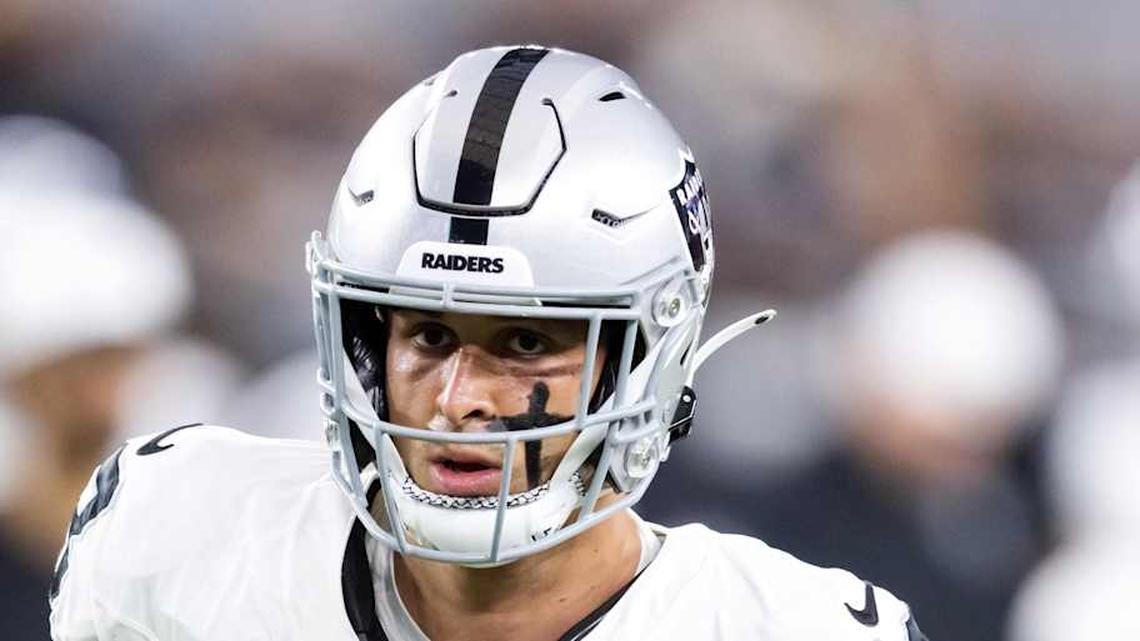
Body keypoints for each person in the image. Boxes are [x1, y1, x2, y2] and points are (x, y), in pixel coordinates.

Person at [49, 45, 926, 641]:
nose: (459, 395)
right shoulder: (175, 542)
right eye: (427, 332)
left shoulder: (782, 625)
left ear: (646, 358)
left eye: (523, 341)